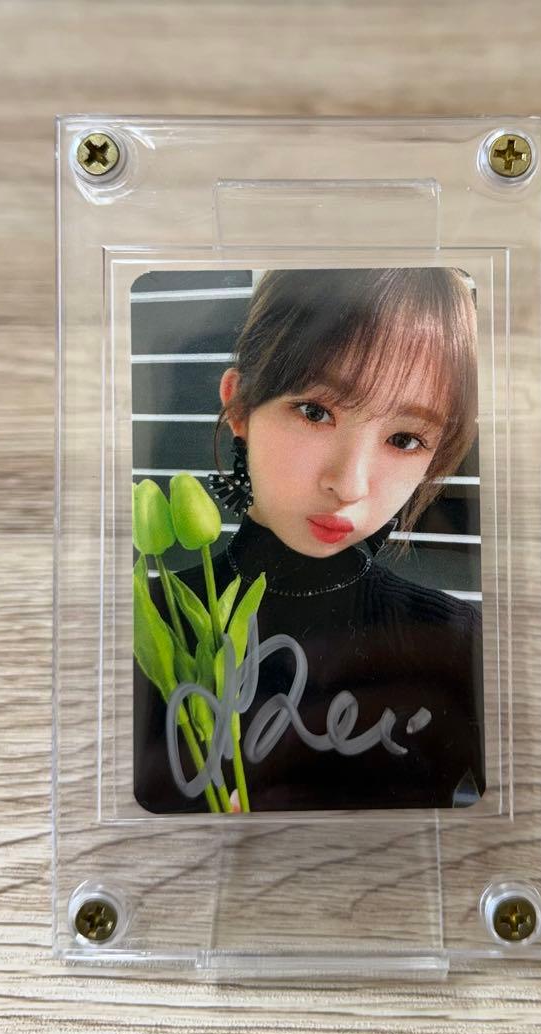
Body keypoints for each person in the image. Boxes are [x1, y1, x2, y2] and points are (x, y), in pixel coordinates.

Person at [134, 267, 485, 813]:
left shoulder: (462, 647)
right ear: (239, 405)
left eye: (405, 439)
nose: (349, 484)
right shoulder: (144, 627)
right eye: (315, 412)